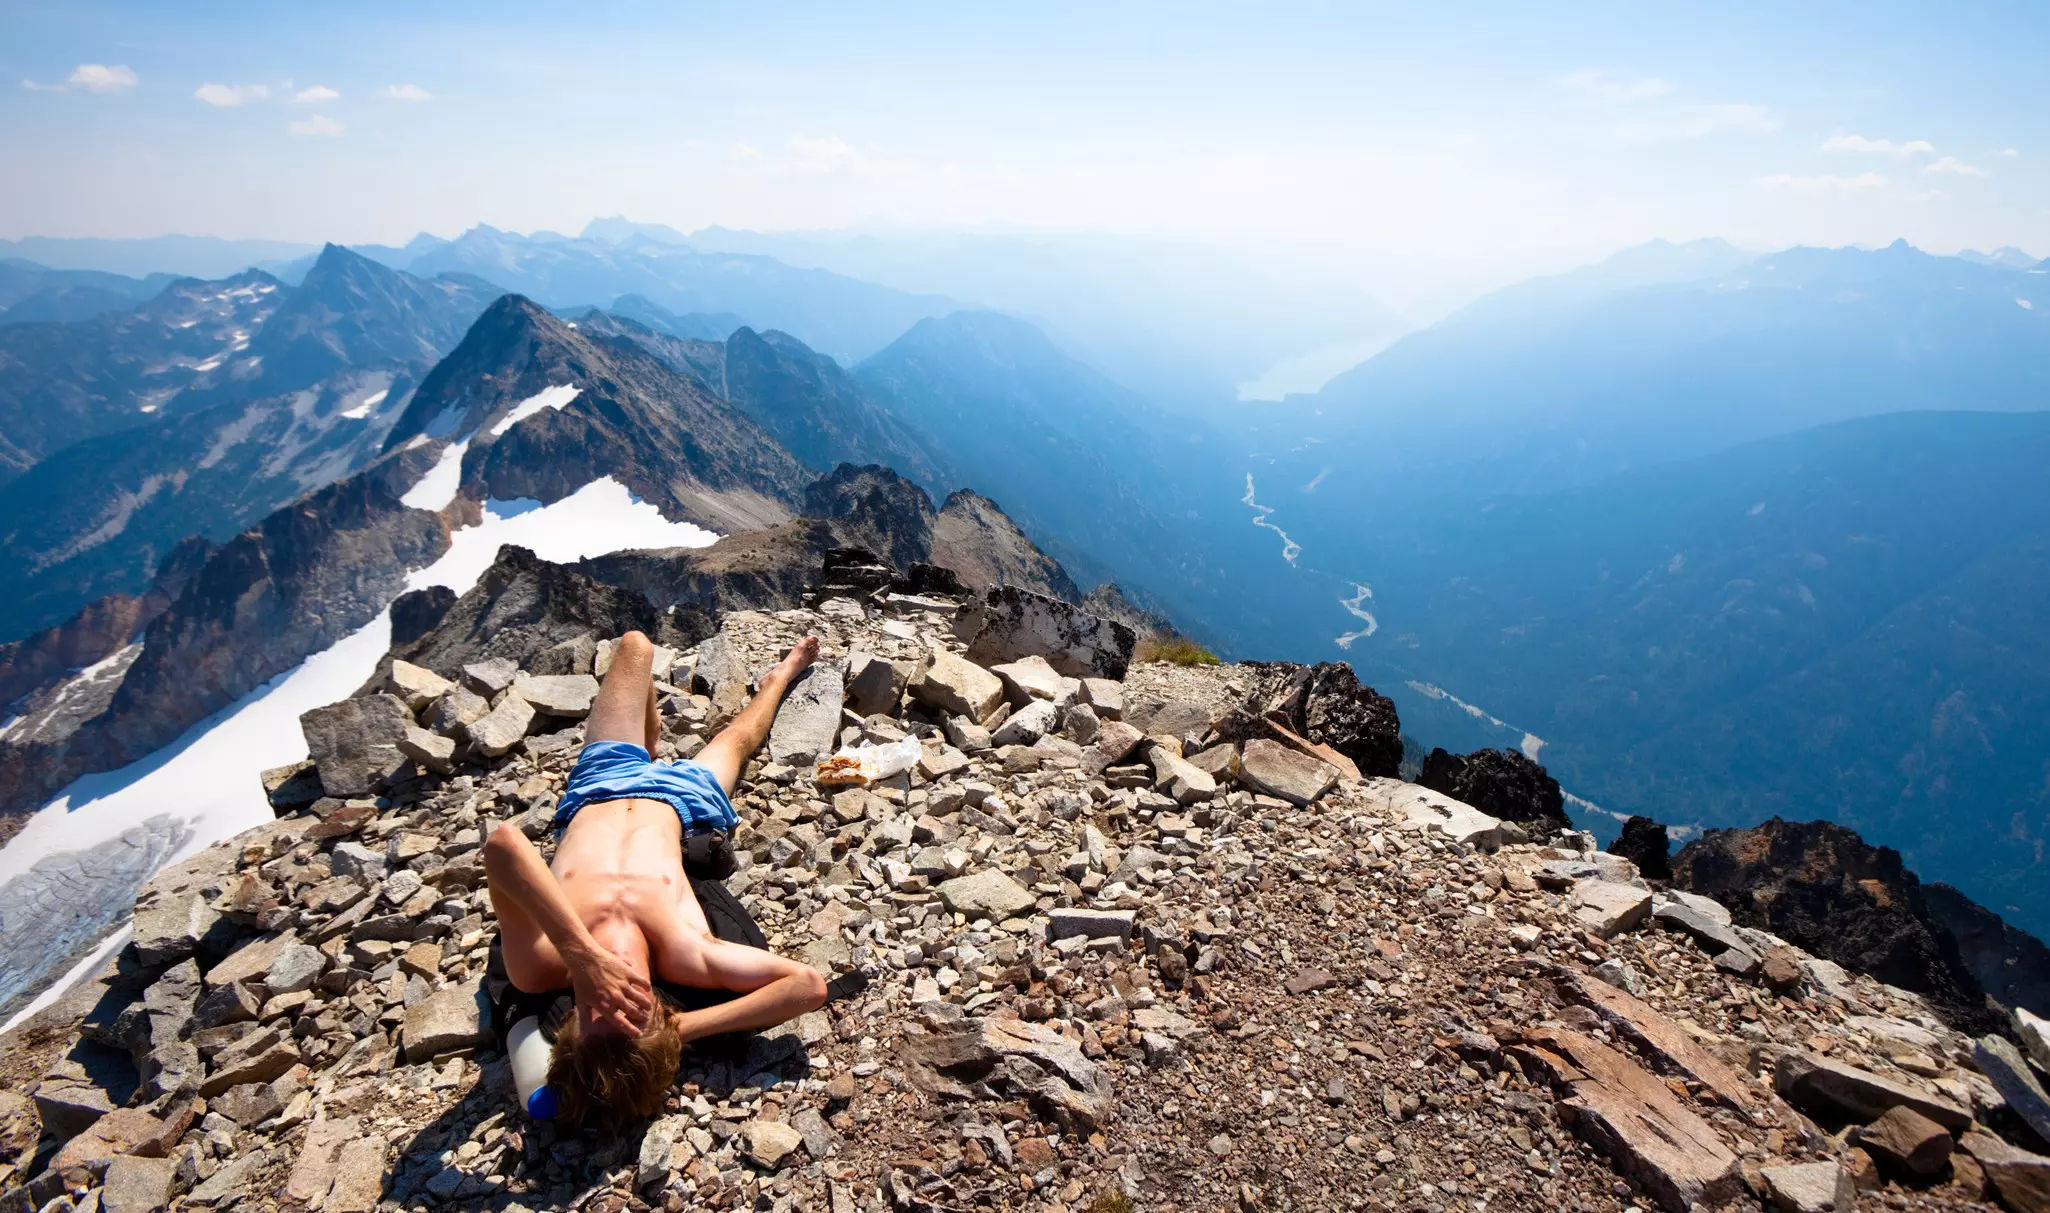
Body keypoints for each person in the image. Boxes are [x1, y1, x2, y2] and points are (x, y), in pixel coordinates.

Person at [483, 631, 829, 1130]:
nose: (611, 991)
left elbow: (504, 844)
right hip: (687, 805)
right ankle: (781, 676)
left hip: (598, 786)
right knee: (736, 741)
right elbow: (807, 985)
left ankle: (648, 736)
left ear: (569, 1026)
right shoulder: (685, 953)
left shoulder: (540, 967)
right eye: (632, 1007)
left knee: (635, 647)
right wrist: (681, 1030)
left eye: (591, 1008)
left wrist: (582, 956)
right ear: (658, 1012)